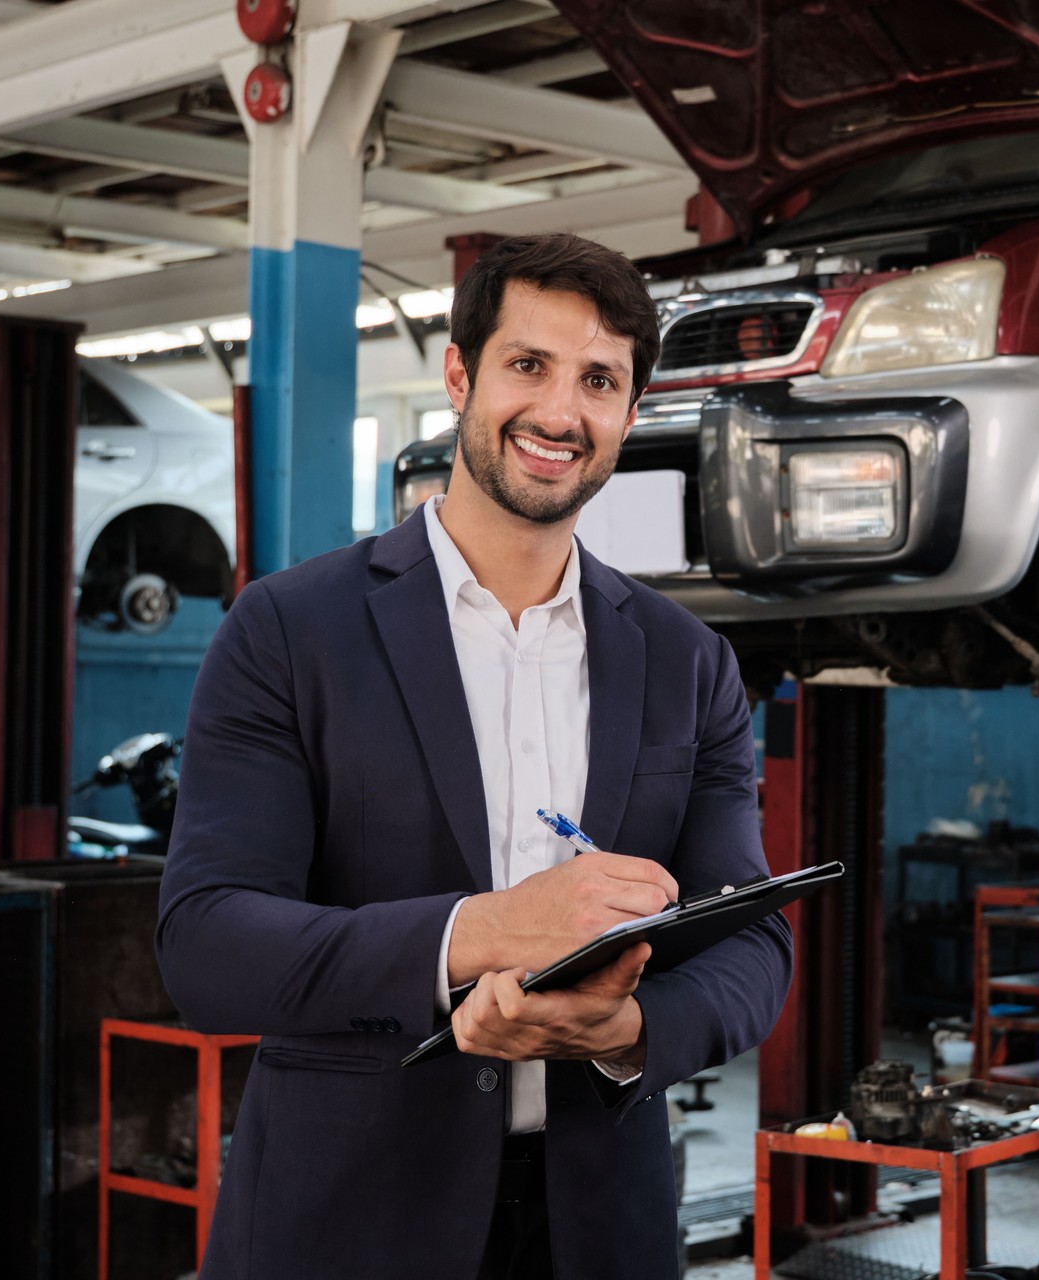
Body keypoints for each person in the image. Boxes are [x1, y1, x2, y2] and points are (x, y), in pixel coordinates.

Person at [156, 233, 793, 1280]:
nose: (559, 412)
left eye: (599, 380)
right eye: (527, 365)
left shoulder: (690, 664)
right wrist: (478, 932)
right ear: (460, 373)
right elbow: (206, 942)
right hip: (344, 1222)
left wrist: (627, 1025)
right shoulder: (287, 630)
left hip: (601, 1227)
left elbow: (752, 940)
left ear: (630, 414)